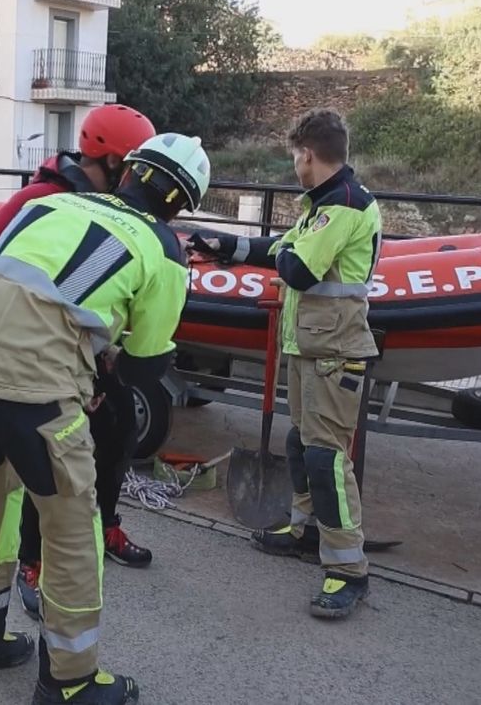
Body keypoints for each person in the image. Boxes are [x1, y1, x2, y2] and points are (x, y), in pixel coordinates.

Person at [0, 132, 210, 705]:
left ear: (130, 170)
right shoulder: (163, 249)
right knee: (71, 533)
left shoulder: (48, 203)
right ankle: (71, 681)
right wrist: (97, 370)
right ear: (180, 204)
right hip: (35, 393)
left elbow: (6, 279)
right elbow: (145, 364)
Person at [0, 104, 159, 623]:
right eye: (134, 167)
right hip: (40, 358)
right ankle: (33, 559)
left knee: (117, 433)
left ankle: (107, 522)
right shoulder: (44, 197)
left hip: (88, 351)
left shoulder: (108, 205)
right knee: (45, 466)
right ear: (116, 160)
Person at [190, 108, 382, 619]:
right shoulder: (319, 207)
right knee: (301, 445)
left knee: (326, 459)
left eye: (295, 156)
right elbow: (278, 247)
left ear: (309, 155)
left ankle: (348, 570)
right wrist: (224, 244)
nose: (294, 165)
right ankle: (303, 530)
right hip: (310, 348)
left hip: (335, 352)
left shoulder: (343, 205)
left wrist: (285, 249)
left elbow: (295, 268)